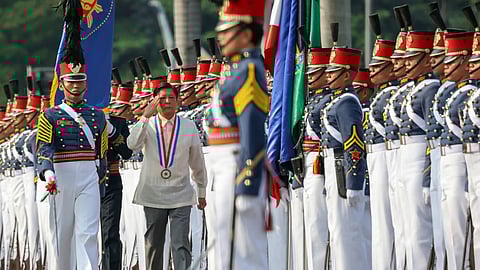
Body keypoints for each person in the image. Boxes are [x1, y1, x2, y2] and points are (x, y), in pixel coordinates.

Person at [207, 0, 269, 268]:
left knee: (243, 249)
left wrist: (248, 180)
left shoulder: (249, 70)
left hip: (237, 163)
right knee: (225, 247)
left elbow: (252, 130)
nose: (220, 37)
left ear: (245, 34)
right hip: (222, 163)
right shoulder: (235, 70)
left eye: (226, 30)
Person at [127, 81, 207, 270]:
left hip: (181, 194)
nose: (167, 102)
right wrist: (145, 116)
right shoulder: (149, 125)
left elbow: (197, 160)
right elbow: (132, 144)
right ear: (154, 101)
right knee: (154, 245)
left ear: (178, 101)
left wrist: (201, 190)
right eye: (162, 98)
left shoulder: (188, 126)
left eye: (172, 98)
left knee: (180, 244)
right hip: (153, 194)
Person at [321, 32, 368, 268]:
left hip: (342, 171)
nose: (328, 74)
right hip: (333, 167)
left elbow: (354, 143)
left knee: (347, 235)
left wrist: (354, 184)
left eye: (333, 70)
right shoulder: (338, 99)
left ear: (347, 74)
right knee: (337, 232)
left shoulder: (347, 101)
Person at [398, 5, 437, 266]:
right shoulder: (413, 89)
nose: (405, 63)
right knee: (404, 227)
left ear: (425, 59)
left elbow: (432, 136)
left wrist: (426, 175)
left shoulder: (430, 89)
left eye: (412, 58)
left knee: (419, 229)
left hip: (418, 159)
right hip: (402, 158)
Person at [365, 13, 397, 269]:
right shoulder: (381, 96)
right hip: (377, 156)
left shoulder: (392, 96)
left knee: (392, 219)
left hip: (392, 154)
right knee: (381, 220)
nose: (372, 70)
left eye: (378, 66)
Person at [301, 46, 332, 270]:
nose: (310, 77)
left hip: (319, 163)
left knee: (319, 224)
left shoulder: (328, 101)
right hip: (309, 161)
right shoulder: (313, 100)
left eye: (315, 72)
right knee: (311, 224)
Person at [101, 69, 133, 270]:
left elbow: (127, 152)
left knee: (111, 232)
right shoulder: (81, 120)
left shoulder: (119, 122)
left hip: (111, 181)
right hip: (88, 180)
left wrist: (111, 129)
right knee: (86, 231)